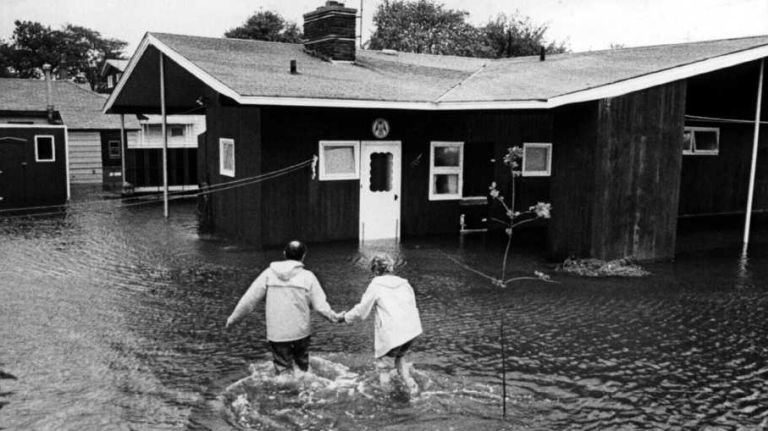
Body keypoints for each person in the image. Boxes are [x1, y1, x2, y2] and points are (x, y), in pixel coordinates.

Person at [225, 240, 340, 375]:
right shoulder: (308, 277)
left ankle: (285, 392)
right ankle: (304, 391)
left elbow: (249, 301)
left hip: (277, 333)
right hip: (301, 332)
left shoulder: (268, 274)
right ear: (304, 256)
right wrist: (335, 318)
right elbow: (320, 306)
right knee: (302, 370)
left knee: (283, 370)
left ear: (284, 253)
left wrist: (233, 320)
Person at [339, 253, 423, 390]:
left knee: (384, 367)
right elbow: (412, 306)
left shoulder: (376, 284)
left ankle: (386, 399)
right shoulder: (405, 283)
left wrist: (344, 317)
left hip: (393, 333)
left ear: (375, 270)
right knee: (400, 358)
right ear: (391, 268)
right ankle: (413, 388)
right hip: (412, 330)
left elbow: (361, 310)